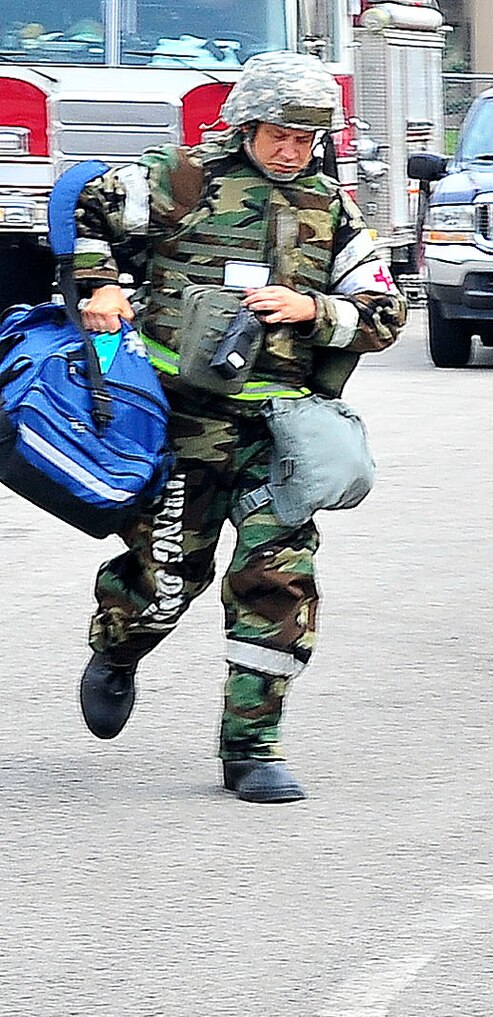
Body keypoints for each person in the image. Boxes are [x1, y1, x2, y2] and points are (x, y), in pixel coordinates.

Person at [70, 51, 407, 803]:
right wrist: (99, 285)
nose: (291, 150)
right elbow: (85, 206)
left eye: (305, 139)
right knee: (166, 582)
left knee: (278, 582)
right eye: (278, 134)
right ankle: (118, 648)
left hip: (276, 435)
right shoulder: (183, 179)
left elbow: (385, 312)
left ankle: (251, 748)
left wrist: (314, 311)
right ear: (246, 123)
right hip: (178, 426)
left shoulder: (332, 208)